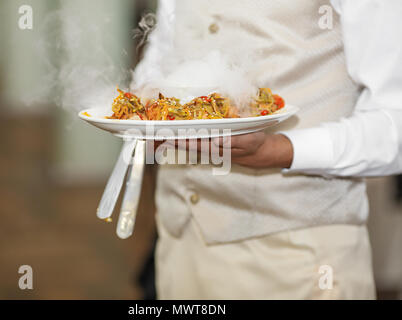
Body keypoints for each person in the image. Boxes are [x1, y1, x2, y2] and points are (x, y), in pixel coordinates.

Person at [132, 0, 402, 299]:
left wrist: (281, 149)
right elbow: (165, 46)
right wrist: (147, 97)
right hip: (178, 244)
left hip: (298, 256)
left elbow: (394, 122)